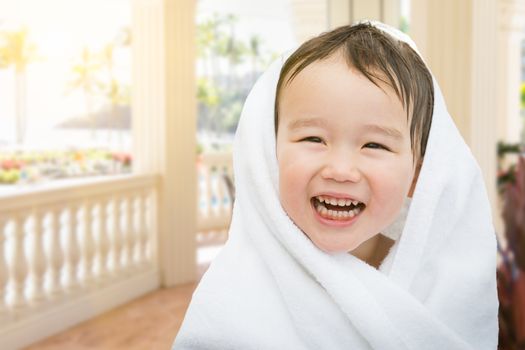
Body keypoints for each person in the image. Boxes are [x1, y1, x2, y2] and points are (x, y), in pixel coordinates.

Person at [173, 21, 498, 349]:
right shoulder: (233, 296)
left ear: (418, 175)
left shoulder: (444, 284)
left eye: (374, 145)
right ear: (270, 156)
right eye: (313, 138)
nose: (341, 170)